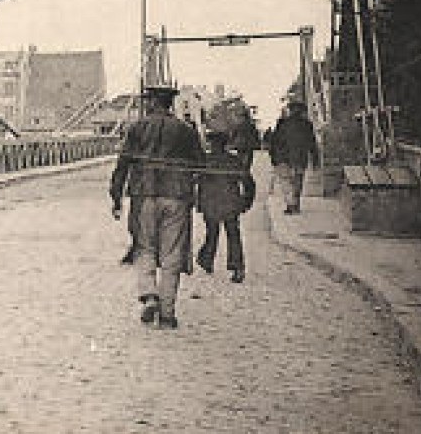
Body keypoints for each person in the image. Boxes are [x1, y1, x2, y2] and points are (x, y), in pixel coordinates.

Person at [109, 84, 204, 329]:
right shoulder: (186, 130)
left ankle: (149, 294)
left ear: (151, 102)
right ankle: (167, 313)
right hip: (176, 196)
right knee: (172, 253)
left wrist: (116, 196)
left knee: (145, 247)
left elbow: (123, 164)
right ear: (170, 104)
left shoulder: (137, 128)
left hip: (145, 194)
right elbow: (200, 164)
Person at [196, 129, 256, 283]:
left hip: (211, 203)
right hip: (230, 203)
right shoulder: (233, 161)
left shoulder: (205, 160)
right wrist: (246, 201)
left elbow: (196, 181)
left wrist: (198, 201)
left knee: (212, 233)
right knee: (233, 234)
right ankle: (236, 266)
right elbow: (248, 182)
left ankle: (206, 259)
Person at [268, 99, 321, 214]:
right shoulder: (307, 124)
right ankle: (294, 204)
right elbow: (312, 143)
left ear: (290, 110)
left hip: (283, 158)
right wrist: (315, 159)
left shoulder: (282, 123)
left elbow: (274, 141)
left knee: (286, 182)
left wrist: (273, 157)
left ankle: (291, 204)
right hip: (299, 158)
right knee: (297, 182)